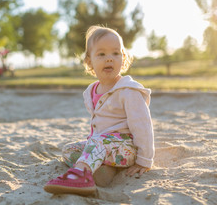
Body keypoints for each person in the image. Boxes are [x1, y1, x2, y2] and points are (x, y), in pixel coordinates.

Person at [44, 25, 154, 196]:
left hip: (126, 148)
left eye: (115, 53)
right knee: (69, 150)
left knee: (98, 143)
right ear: (89, 61)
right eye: (101, 54)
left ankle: (80, 176)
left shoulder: (128, 91)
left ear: (123, 57)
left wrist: (144, 160)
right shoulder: (92, 91)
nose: (109, 59)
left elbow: (143, 126)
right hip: (103, 147)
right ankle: (100, 171)